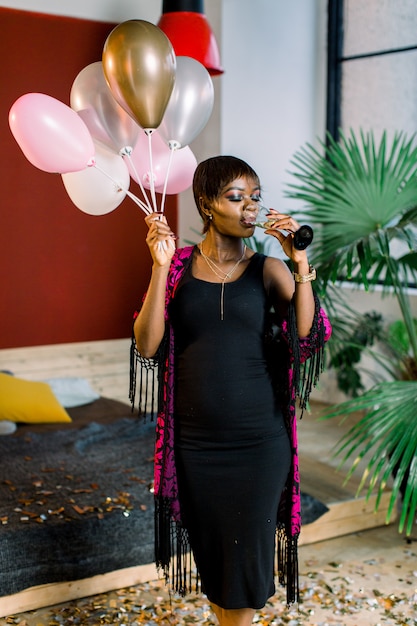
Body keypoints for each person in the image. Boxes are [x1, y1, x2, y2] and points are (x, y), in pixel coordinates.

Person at [131, 156, 331, 626]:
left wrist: (300, 262)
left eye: (255, 197)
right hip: (195, 448)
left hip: (258, 446)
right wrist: (158, 268)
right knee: (217, 568)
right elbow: (147, 344)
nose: (249, 208)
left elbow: (309, 335)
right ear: (206, 204)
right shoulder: (177, 268)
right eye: (235, 197)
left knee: (243, 574)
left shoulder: (270, 270)